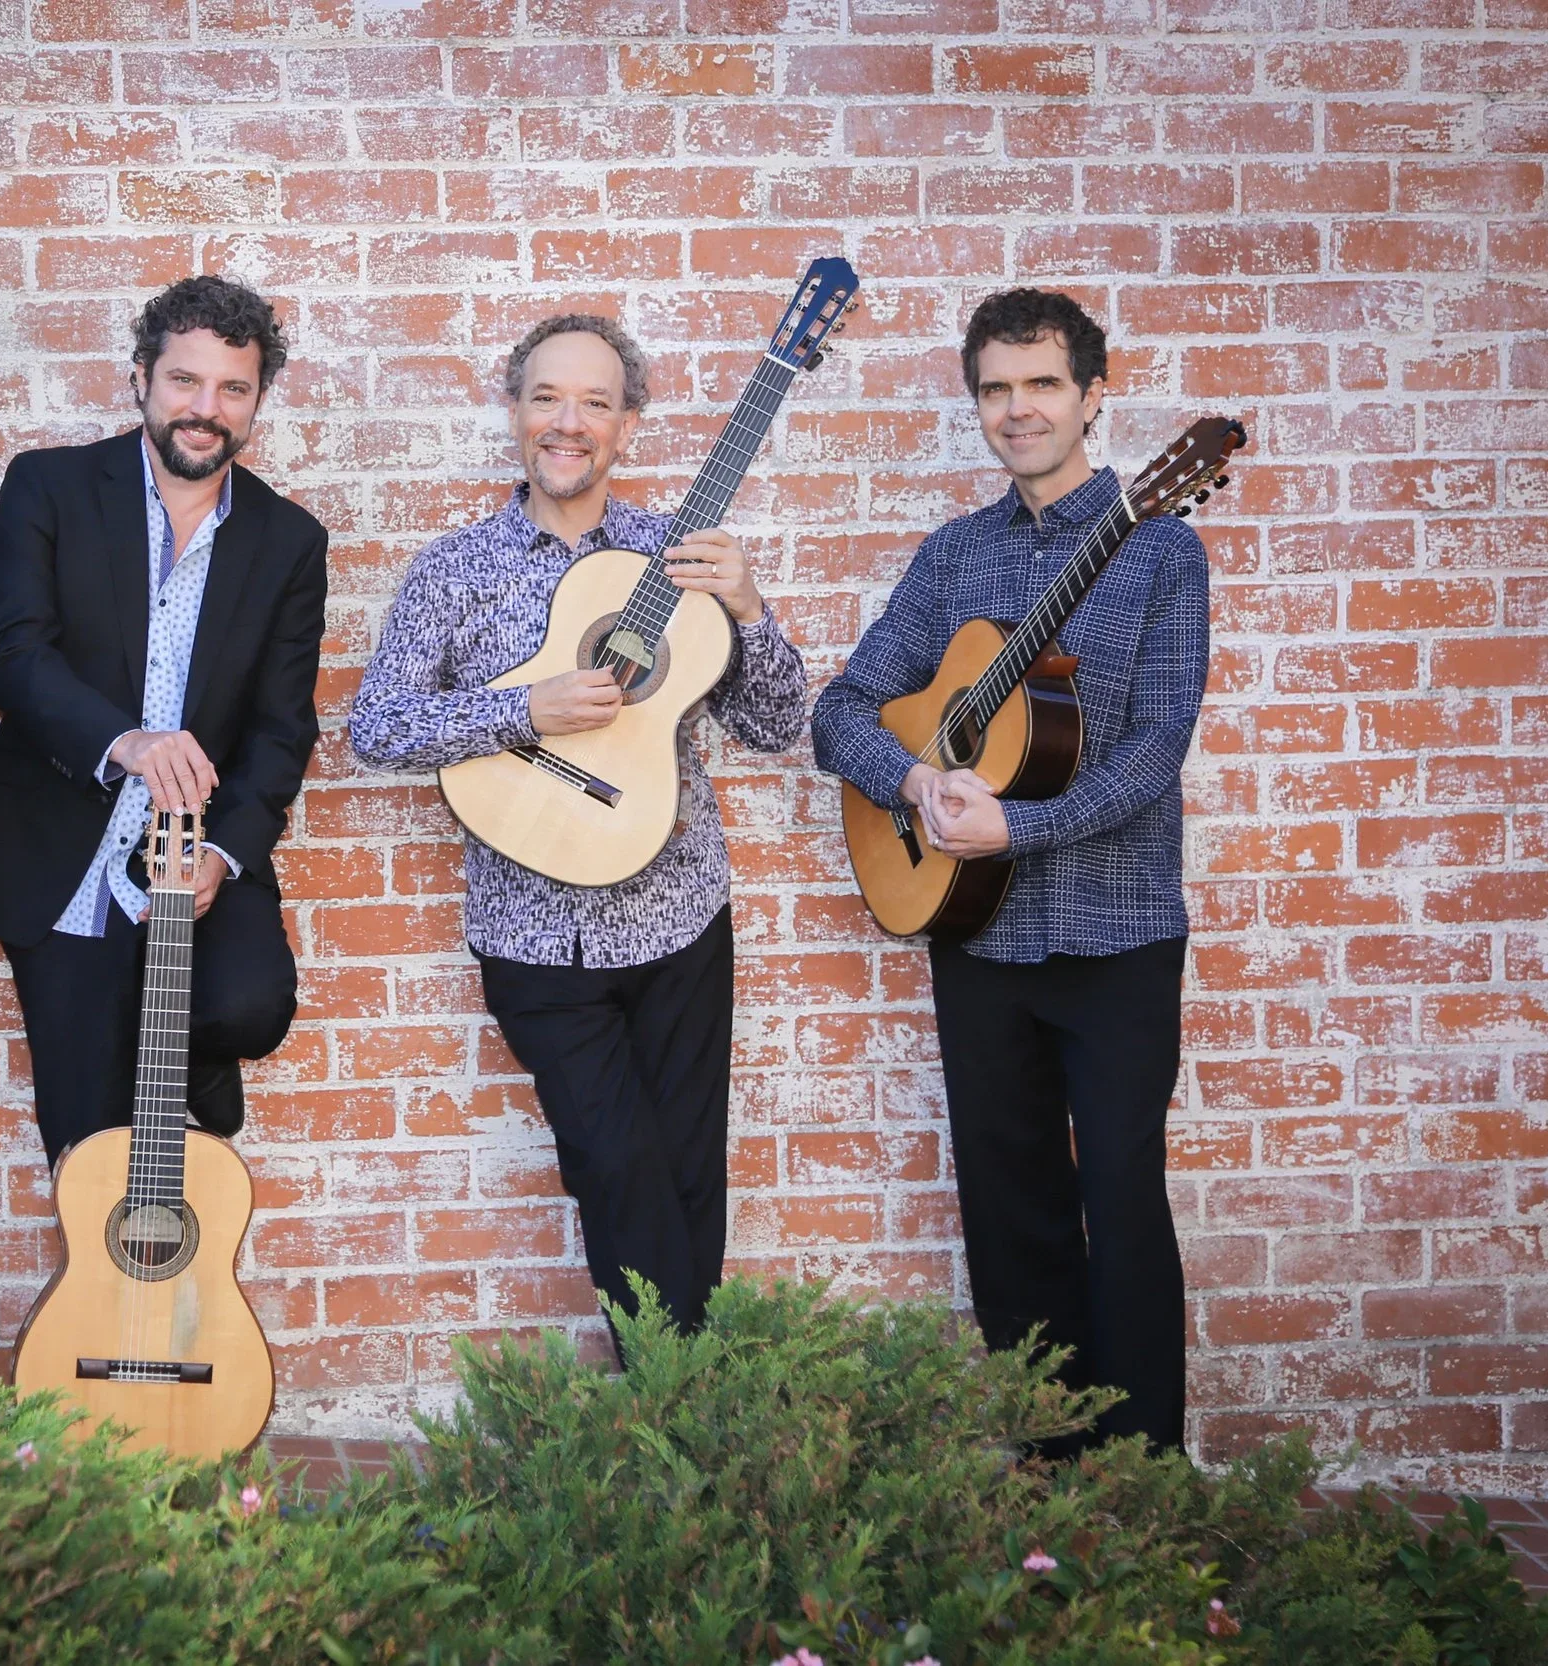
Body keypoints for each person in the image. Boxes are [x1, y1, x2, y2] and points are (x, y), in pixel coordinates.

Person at [349, 314, 811, 1337]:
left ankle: (684, 1417)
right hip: (531, 928)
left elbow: (777, 726)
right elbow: (374, 730)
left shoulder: (677, 558)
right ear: (513, 410)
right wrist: (525, 707)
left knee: (688, 1170)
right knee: (613, 1162)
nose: (569, 423)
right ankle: (681, 1404)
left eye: (596, 402)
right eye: (548, 397)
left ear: (629, 423)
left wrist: (747, 611)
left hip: (678, 912)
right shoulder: (453, 569)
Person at [811, 288, 1210, 1454]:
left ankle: (1138, 1477)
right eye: (995, 387)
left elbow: (1153, 752)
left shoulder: (1161, 546)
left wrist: (1018, 830)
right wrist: (914, 786)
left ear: (1094, 394)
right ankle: (1042, 1460)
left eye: (1041, 384)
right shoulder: (955, 556)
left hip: (1117, 930)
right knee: (1008, 1204)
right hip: (976, 937)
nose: (1017, 408)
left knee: (1122, 1202)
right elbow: (843, 709)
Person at [0, 275, 328, 1166]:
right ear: (142, 378)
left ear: (258, 399)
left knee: (249, 1008)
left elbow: (280, 728)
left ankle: (191, 1066)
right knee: (87, 1146)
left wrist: (227, 858)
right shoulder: (49, 487)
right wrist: (127, 741)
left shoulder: (290, 541)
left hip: (197, 847)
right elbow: (14, 653)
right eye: (185, 381)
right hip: (63, 845)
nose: (206, 408)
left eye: (233, 388)